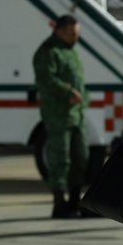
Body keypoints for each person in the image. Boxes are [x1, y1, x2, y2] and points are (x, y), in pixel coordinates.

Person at [32, 14, 91, 219]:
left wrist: (83, 100)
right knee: (60, 160)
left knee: (80, 158)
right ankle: (59, 204)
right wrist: (68, 93)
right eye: (72, 34)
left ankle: (74, 203)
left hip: (76, 116)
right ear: (59, 30)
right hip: (59, 116)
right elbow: (46, 80)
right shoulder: (48, 52)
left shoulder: (70, 52)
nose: (75, 37)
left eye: (77, 34)